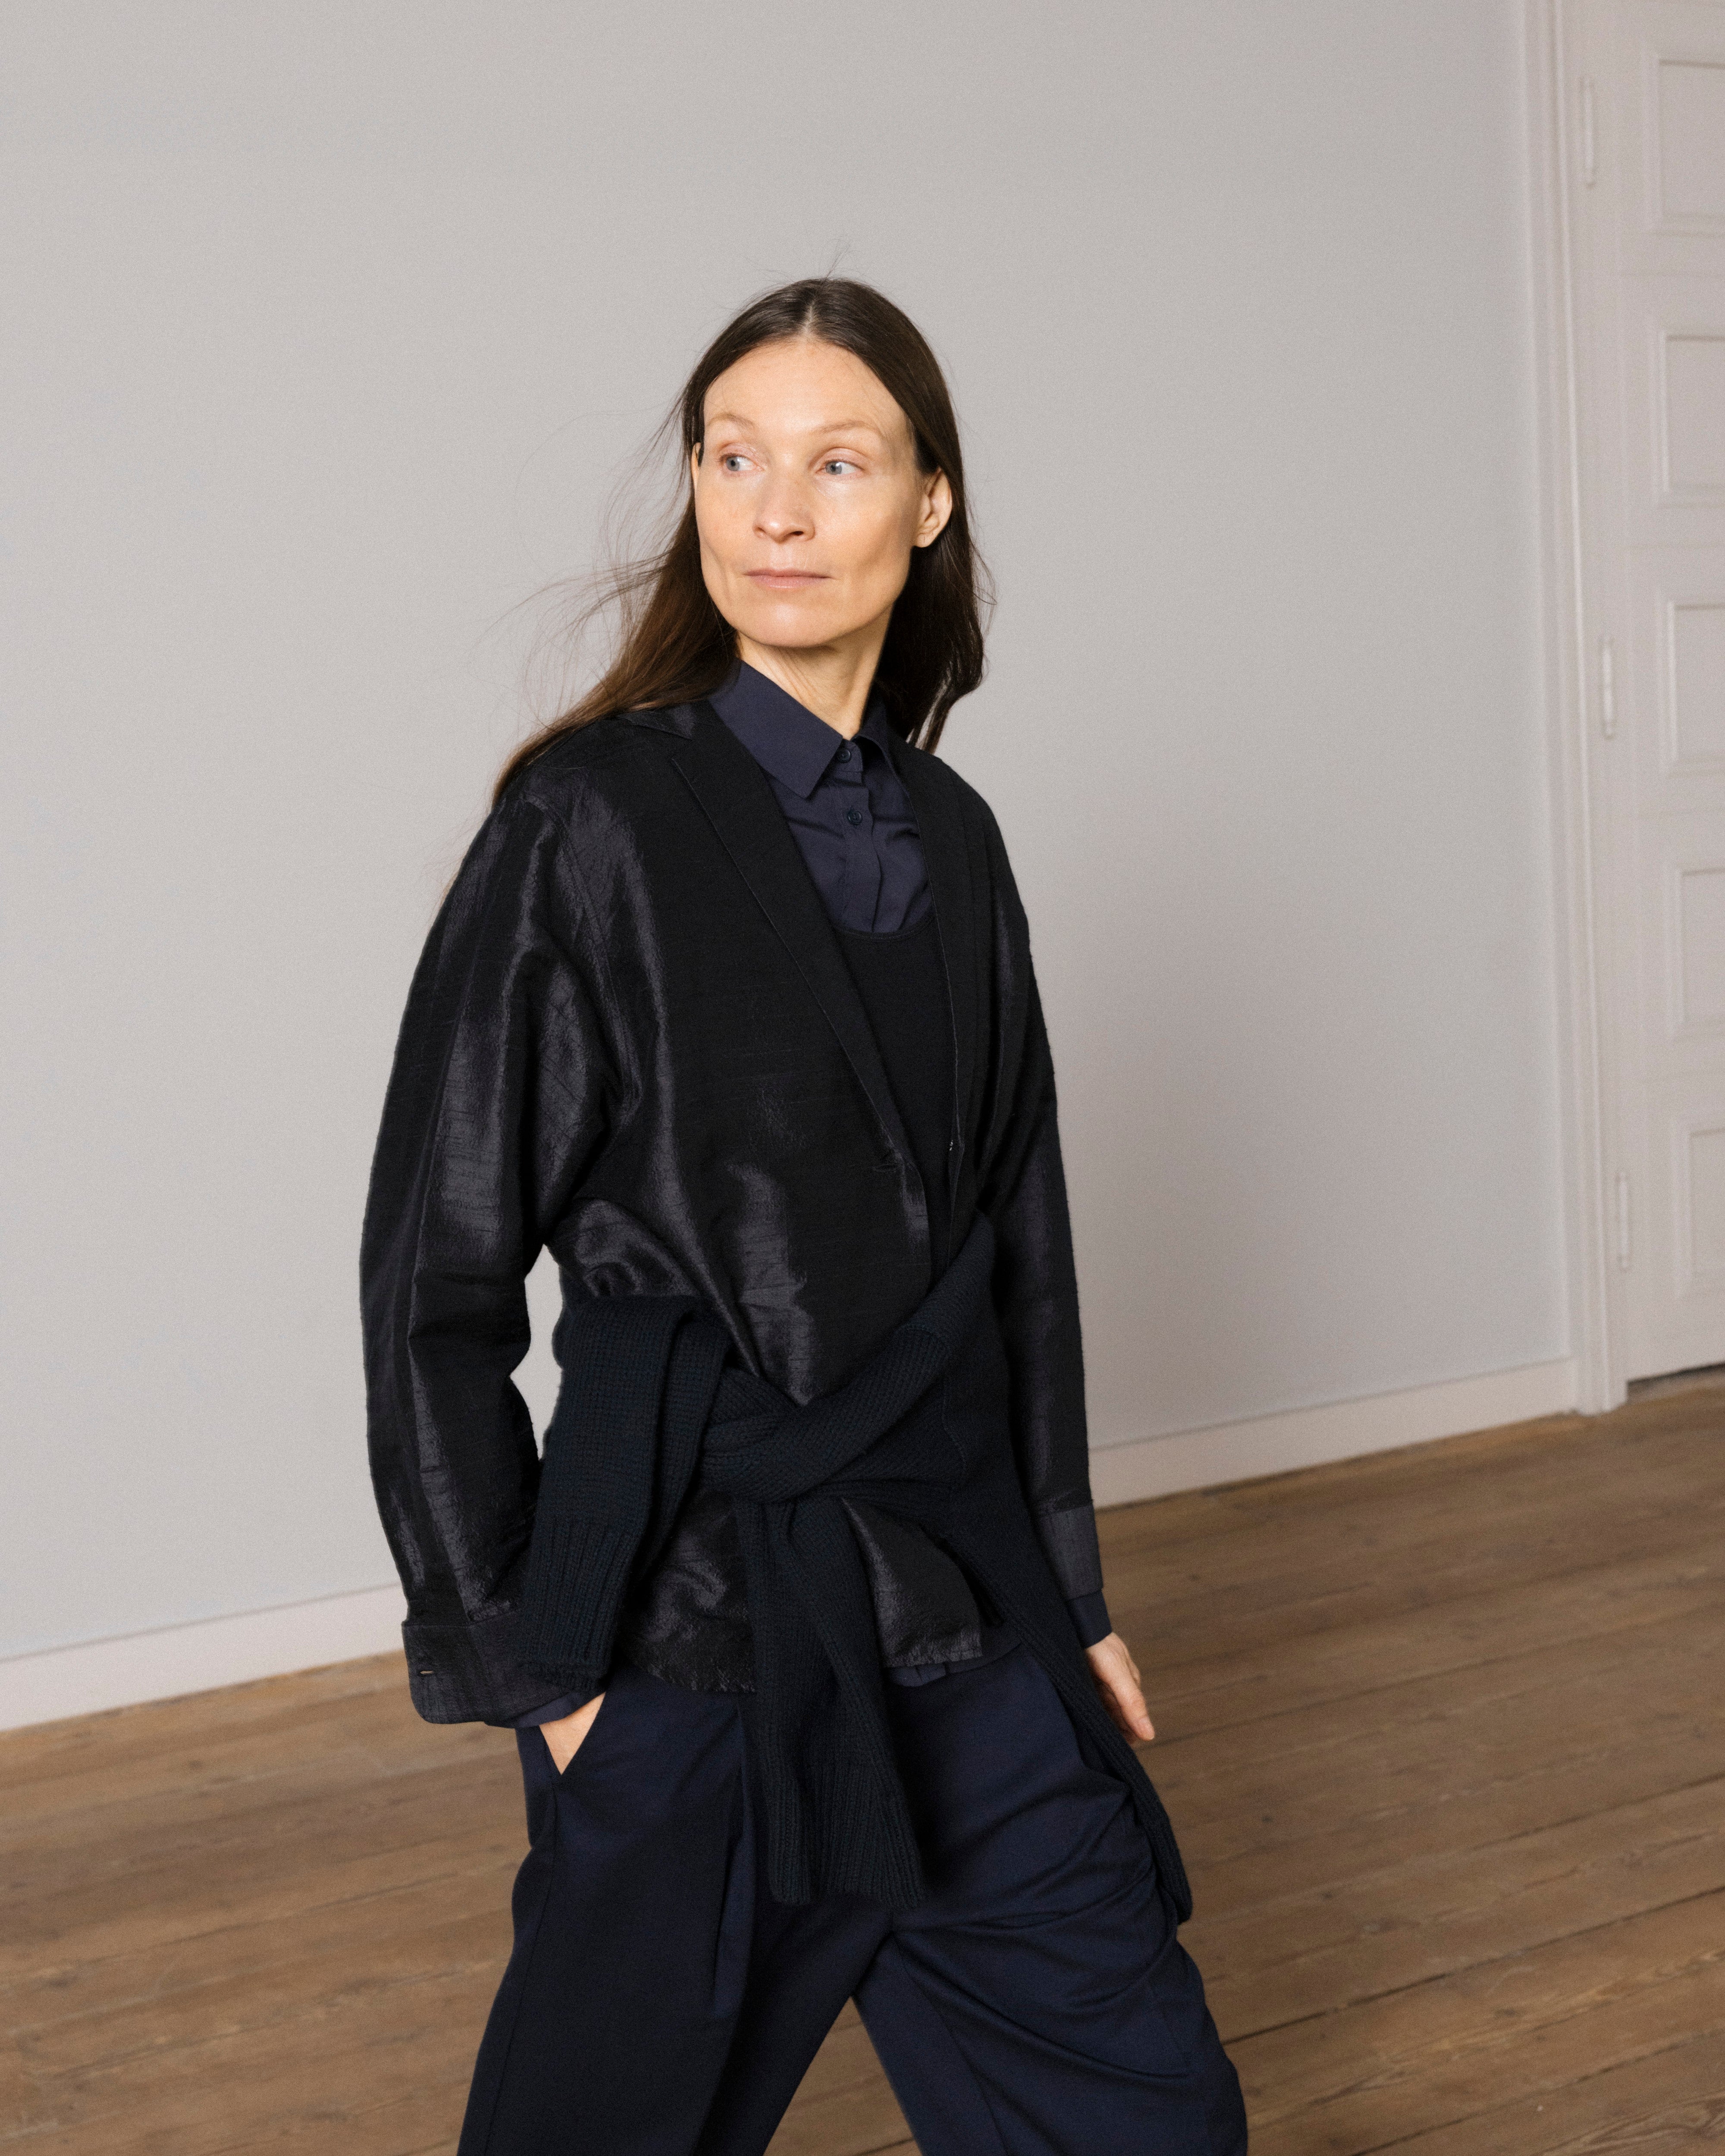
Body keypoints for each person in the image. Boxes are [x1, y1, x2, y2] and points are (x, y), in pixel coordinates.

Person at [361, 277, 1246, 2156]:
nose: (775, 510)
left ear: (928, 501)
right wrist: (542, 1672)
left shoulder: (958, 838)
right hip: (686, 1633)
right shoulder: (586, 826)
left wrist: (1068, 1601)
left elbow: (1022, 1260)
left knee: (1149, 2120)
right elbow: (433, 1274)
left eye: (837, 463)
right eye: (732, 457)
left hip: (960, 1608)